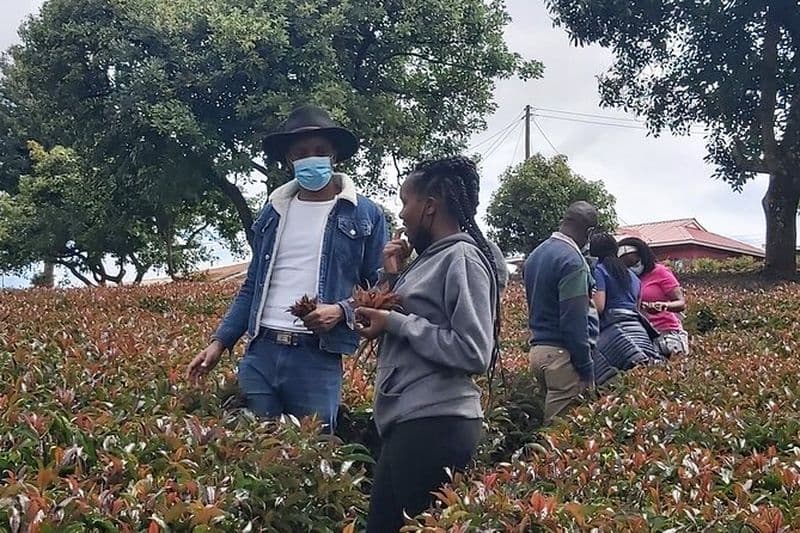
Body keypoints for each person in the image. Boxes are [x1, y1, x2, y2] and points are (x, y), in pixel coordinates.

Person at [186, 104, 388, 430]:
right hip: (260, 354)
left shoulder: (365, 214)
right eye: (302, 153)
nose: (312, 158)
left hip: (317, 357)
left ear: (334, 155)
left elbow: (380, 287)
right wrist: (219, 342)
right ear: (289, 160)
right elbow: (252, 285)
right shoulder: (273, 212)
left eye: (320, 151)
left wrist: (341, 311)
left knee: (312, 458)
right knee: (256, 454)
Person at [354, 156, 499, 532]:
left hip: (436, 422)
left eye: (406, 203)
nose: (402, 215)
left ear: (430, 207)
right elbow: (416, 319)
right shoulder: (429, 261)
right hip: (412, 420)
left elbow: (473, 350)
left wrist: (396, 322)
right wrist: (391, 278)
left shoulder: (462, 258)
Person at [524, 201, 597, 424]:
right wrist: (586, 368)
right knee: (559, 436)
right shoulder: (572, 261)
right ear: (590, 232)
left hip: (539, 351)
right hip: (562, 357)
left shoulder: (535, 255)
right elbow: (573, 322)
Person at [590, 233, 661, 375]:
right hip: (638, 331)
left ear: (594, 253)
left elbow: (599, 306)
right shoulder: (633, 276)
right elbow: (637, 306)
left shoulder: (599, 270)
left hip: (614, 333)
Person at [617, 237, 689, 357]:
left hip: (666, 333)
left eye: (635, 263)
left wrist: (663, 306)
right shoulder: (626, 279)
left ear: (643, 257)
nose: (632, 268)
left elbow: (680, 303)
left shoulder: (660, 272)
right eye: (627, 266)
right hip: (641, 335)